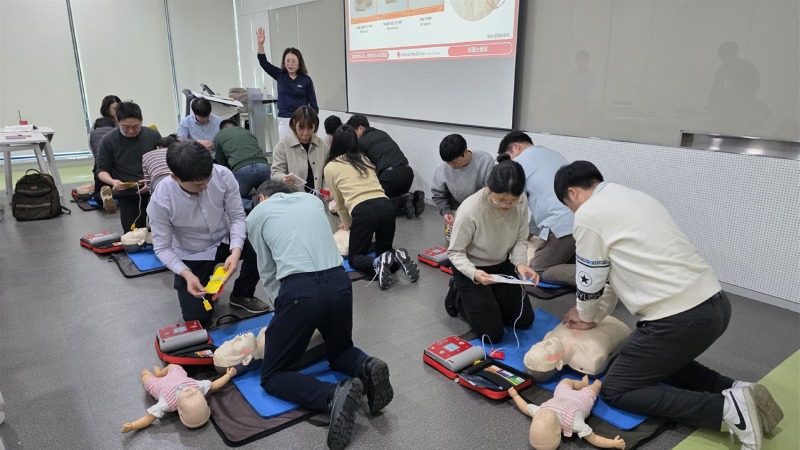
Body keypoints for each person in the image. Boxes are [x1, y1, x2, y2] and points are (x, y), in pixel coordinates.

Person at [554, 160, 783, 450]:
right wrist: (595, 317)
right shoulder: (635, 197)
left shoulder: (587, 214)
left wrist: (585, 316)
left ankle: (726, 407)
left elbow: (590, 281)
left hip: (679, 319)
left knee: (616, 388)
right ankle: (737, 389)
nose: (572, 212)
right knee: (644, 360)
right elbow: (608, 278)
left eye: (567, 205)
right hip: (716, 305)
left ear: (572, 193)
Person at [247, 180, 394, 450]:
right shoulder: (311, 201)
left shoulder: (257, 214)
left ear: (262, 197)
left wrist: (283, 310)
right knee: (339, 350)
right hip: (340, 281)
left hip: (299, 291)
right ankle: (367, 366)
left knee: (274, 376)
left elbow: (267, 269)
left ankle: (331, 396)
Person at [147, 141, 270, 327]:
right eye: (197, 185)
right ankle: (201, 282)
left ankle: (242, 294)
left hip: (224, 238)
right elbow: (162, 247)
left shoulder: (223, 175)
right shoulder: (161, 200)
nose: (204, 187)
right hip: (192, 252)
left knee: (260, 243)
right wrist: (186, 274)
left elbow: (237, 216)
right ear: (175, 177)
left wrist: (236, 251)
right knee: (198, 319)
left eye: (207, 179)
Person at [446, 160, 537, 342]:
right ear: (489, 189)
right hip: (473, 268)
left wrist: (520, 264)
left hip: (501, 266)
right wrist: (473, 273)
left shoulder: (521, 201)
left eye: (512, 201)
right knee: (492, 334)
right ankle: (457, 293)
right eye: (501, 200)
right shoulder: (470, 209)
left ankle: (490, 297)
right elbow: (455, 252)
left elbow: (520, 240)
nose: (507, 205)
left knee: (524, 321)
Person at [324, 125, 420, 290]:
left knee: (355, 258)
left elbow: (339, 204)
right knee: (384, 250)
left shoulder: (331, 167)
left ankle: (377, 264)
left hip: (364, 210)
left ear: (335, 143)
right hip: (386, 205)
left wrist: (348, 224)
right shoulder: (364, 159)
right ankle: (396, 258)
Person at [498, 131, 576, 286]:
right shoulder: (553, 154)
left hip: (562, 224)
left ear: (516, 147)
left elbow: (513, 205)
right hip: (582, 219)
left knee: (539, 269)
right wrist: (525, 236)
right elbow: (541, 209)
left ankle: (596, 276)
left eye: (508, 157)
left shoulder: (518, 163)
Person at [509, 376, 627, 450]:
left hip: (562, 395)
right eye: (545, 417)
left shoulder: (540, 412)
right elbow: (594, 439)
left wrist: (515, 396)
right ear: (557, 430)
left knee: (565, 381)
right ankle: (594, 385)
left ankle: (582, 384)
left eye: (536, 417)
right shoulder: (574, 424)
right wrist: (613, 443)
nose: (541, 413)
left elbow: (525, 408)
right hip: (582, 399)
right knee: (594, 388)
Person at [96, 101, 162, 231]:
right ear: (117, 120)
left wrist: (150, 181)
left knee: (161, 230)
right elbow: (101, 170)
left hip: (154, 190)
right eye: (126, 127)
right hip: (127, 192)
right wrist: (113, 182)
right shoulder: (109, 140)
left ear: (141, 120)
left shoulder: (152, 135)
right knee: (133, 235)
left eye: (135, 126)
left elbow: (164, 163)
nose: (131, 131)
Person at [346, 114, 424, 219]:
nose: (354, 137)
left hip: (391, 177)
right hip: (408, 174)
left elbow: (362, 167)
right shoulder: (382, 133)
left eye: (354, 132)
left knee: (375, 204)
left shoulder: (361, 142)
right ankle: (414, 199)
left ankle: (402, 202)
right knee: (387, 195)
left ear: (360, 128)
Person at [121, 364, 236, 433]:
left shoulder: (168, 403)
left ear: (179, 411)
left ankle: (155, 375)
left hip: (158, 385)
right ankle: (160, 372)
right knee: (174, 366)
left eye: (188, 395)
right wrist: (228, 375)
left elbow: (148, 419)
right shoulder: (196, 386)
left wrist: (132, 426)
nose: (189, 391)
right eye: (195, 394)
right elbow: (215, 384)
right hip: (176, 375)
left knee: (144, 376)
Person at [256, 27, 318, 140]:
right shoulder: (280, 75)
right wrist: (260, 44)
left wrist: (311, 123)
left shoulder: (306, 79)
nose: (290, 64)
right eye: (287, 61)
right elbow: (263, 62)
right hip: (284, 120)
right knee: (286, 150)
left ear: (299, 63)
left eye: (293, 61)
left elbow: (314, 105)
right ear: (284, 62)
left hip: (303, 120)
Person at [431, 134, 494, 240]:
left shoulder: (485, 160)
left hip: (480, 208)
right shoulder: (443, 167)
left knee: (479, 242)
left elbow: (490, 193)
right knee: (453, 241)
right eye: (448, 163)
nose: (452, 166)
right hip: (455, 207)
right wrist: (446, 212)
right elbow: (438, 194)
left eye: (455, 162)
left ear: (465, 152)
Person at [214, 119, 270, 211]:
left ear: (222, 129)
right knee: (269, 195)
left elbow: (221, 162)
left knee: (231, 199)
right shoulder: (247, 132)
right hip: (263, 166)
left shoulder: (219, 136)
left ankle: (252, 204)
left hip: (242, 169)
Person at [271, 106, 328, 194]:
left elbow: (327, 174)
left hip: (318, 199)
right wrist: (284, 178)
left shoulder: (322, 145)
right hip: (294, 199)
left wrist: (326, 191)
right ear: (294, 123)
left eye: (310, 128)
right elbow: (276, 172)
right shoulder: (283, 145)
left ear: (315, 126)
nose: (305, 133)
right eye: (301, 128)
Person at [88, 95, 121, 207]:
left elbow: (92, 147)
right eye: (114, 109)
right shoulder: (121, 126)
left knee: (99, 192)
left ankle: (105, 194)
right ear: (107, 109)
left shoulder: (96, 125)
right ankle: (113, 193)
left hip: (100, 165)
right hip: (115, 164)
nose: (117, 111)